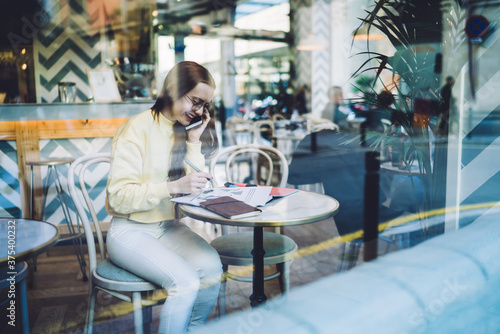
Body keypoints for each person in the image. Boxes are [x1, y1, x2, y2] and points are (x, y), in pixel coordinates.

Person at [105, 61, 222, 334]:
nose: (199, 111)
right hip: (129, 231)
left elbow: (194, 186)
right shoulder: (136, 128)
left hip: (167, 227)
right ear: (173, 89)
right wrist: (171, 188)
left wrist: (193, 141)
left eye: (205, 105)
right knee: (185, 283)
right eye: (196, 101)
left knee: (212, 268)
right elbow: (118, 197)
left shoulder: (182, 130)